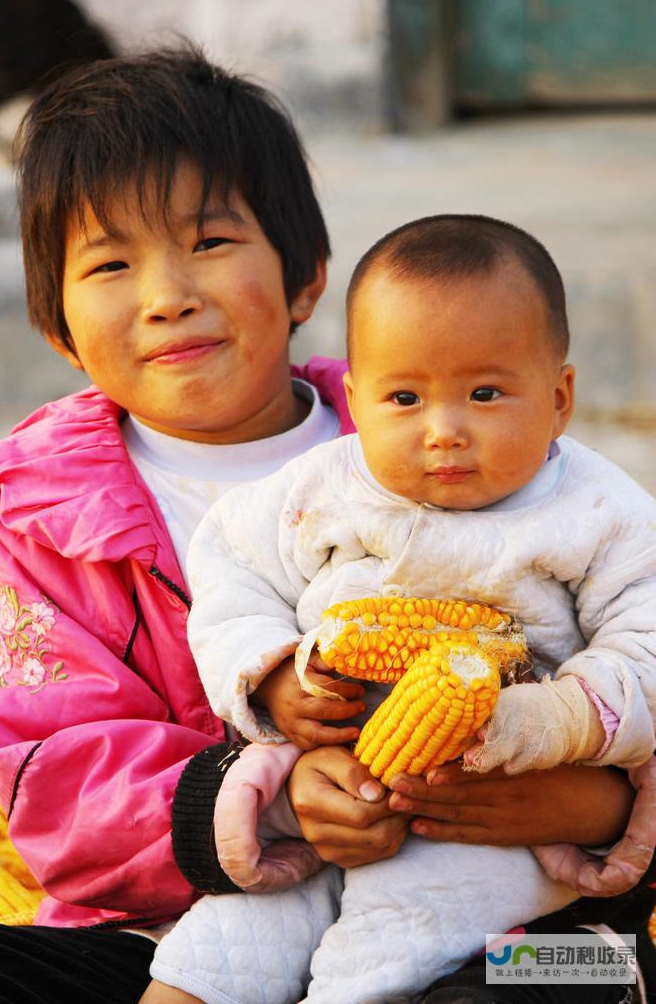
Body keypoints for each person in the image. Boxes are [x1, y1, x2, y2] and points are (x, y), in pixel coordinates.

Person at [0, 50, 651, 1004]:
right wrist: (267, 803)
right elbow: (54, 782)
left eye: (210, 242)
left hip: (489, 908)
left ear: (305, 278)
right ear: (58, 329)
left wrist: (595, 802)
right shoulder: (48, 524)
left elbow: (630, 637)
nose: (168, 293)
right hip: (177, 929)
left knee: (586, 976)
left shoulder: (450, 440)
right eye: (109, 263)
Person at [142, 216, 656, 1004]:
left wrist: (551, 720)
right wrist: (274, 675)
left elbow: (645, 639)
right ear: (356, 399)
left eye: (485, 394)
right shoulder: (314, 494)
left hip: (500, 827)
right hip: (332, 798)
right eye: (404, 398)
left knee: (397, 953)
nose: (442, 432)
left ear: (558, 398)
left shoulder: (601, 512)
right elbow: (232, 577)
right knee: (216, 953)